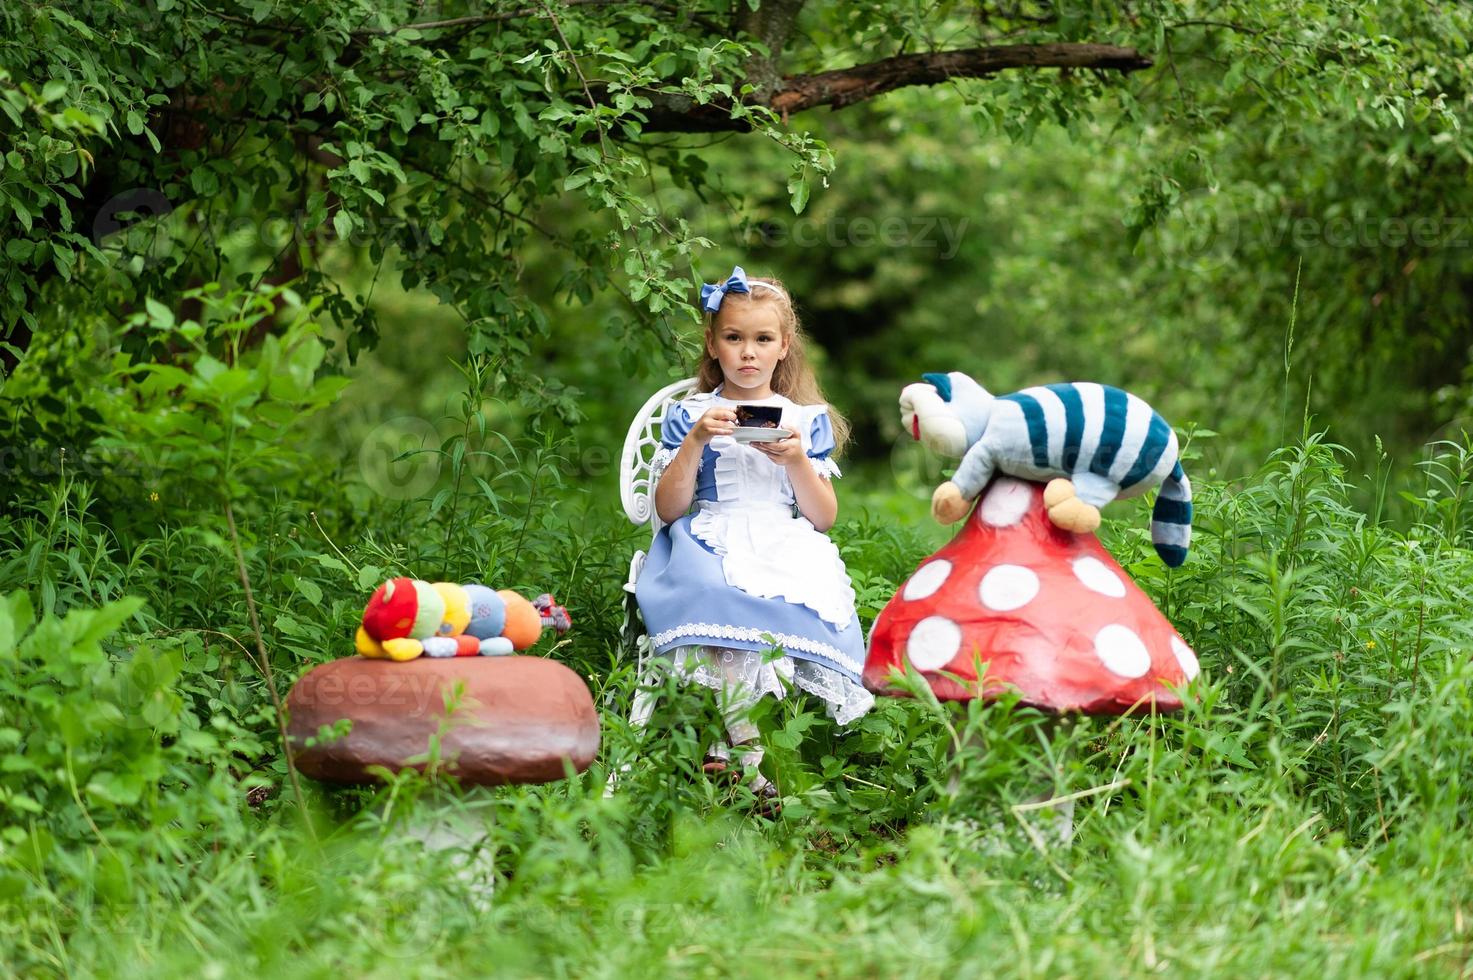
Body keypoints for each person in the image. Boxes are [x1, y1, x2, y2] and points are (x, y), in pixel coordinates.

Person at [635, 266, 874, 813]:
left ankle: (729, 754)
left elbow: (823, 518)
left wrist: (795, 461)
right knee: (718, 591)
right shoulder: (692, 415)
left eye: (763, 339)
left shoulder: (801, 421)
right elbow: (670, 510)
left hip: (780, 536)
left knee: (779, 595)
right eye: (734, 338)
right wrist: (696, 441)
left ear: (784, 347)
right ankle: (747, 761)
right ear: (713, 344)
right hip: (710, 531)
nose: (748, 352)